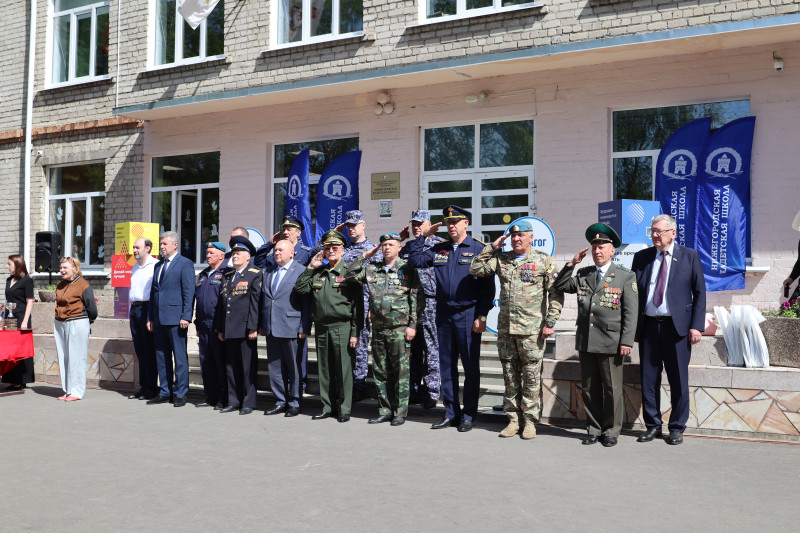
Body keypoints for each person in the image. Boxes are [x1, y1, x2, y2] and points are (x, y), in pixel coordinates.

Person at [470, 221, 564, 439]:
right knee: (510, 377)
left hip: (532, 331)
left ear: (531, 237)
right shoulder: (502, 259)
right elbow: (475, 268)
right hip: (506, 330)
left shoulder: (543, 260)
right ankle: (513, 420)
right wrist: (492, 247)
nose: (516, 239)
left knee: (531, 377)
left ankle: (530, 422)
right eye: (513, 236)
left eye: (521, 235)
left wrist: (550, 322)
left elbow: (556, 293)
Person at [406, 205, 494, 432]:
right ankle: (451, 412)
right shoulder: (439, 249)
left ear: (466, 223)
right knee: (446, 366)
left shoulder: (478, 249)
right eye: (448, 222)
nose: (451, 226)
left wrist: (482, 315)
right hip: (443, 313)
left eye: (456, 221)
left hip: (468, 314)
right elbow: (415, 260)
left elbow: (488, 288)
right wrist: (423, 237)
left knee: (470, 366)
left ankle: (468, 414)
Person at [553, 224, 637, 447]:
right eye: (594, 247)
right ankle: (593, 428)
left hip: (611, 342)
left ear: (612, 250)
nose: (598, 251)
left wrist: (627, 340)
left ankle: (611, 430)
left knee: (612, 389)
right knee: (590, 388)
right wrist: (572, 264)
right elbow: (560, 284)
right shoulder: (584, 274)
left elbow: (630, 312)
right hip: (587, 340)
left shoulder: (624, 277)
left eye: (602, 247)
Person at [631, 214, 706, 446]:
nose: (654, 235)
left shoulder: (689, 256)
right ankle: (653, 425)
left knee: (678, 380)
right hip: (649, 327)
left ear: (672, 233)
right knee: (648, 379)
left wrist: (696, 326)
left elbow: (700, 293)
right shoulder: (641, 257)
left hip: (677, 329)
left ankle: (676, 427)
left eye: (659, 231)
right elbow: (633, 295)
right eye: (652, 231)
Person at [346, 232, 423, 426]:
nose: (387, 247)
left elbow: (415, 298)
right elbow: (347, 273)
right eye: (384, 245)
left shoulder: (407, 269)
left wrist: (412, 325)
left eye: (391, 244)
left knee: (400, 373)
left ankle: (400, 412)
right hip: (379, 329)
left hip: (399, 328)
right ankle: (385, 409)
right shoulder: (372, 269)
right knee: (381, 372)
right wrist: (365, 255)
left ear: (399, 247)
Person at [295, 230, 361, 423]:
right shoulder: (318, 272)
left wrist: (355, 332)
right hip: (322, 327)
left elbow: (358, 305)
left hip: (343, 326)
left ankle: (345, 408)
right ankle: (327, 406)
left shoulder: (349, 272)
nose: (330, 251)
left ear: (342, 250)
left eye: (334, 248)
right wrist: (310, 266)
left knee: (343, 369)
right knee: (324, 369)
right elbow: (300, 288)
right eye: (327, 248)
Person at [399, 210, 445, 409]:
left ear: (430, 224)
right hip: (410, 304)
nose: (416, 227)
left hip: (432, 303)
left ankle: (432, 391)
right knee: (413, 350)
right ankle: (414, 390)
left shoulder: (441, 245)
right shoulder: (408, 247)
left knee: (432, 348)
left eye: (420, 223)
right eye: (413, 224)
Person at [260, 240, 311, 417]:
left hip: (292, 327)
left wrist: (305, 326)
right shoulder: (268, 272)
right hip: (271, 327)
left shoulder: (301, 272)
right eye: (275, 250)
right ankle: (280, 400)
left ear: (292, 253)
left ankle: (295, 402)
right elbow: (264, 301)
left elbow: (307, 304)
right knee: (275, 367)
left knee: (294, 368)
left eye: (281, 250)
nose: (277, 252)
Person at [146, 231, 196, 407]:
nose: (161, 247)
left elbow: (189, 292)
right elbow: (154, 293)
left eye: (164, 244)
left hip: (176, 319)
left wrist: (186, 316)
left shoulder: (185, 264)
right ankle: (165, 391)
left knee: (180, 358)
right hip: (159, 319)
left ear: (175, 245)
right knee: (161, 356)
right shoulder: (158, 266)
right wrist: (150, 317)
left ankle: (180, 393)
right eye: (160, 244)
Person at [216, 236, 263, 415]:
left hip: (244, 329)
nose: (234, 256)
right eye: (233, 253)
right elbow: (223, 304)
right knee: (231, 366)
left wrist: (253, 327)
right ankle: (233, 400)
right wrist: (220, 328)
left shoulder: (254, 274)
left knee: (247, 368)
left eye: (238, 253)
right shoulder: (227, 276)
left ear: (248, 256)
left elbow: (255, 303)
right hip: (229, 328)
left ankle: (248, 402)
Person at [340, 210, 382, 402]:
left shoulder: (374, 250)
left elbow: (378, 281)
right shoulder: (343, 250)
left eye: (354, 225)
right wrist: (335, 231)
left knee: (361, 346)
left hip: (363, 304)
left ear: (363, 225)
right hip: (343, 304)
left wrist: (374, 307)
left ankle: (359, 385)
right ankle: (345, 383)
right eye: (348, 226)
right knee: (344, 346)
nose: (351, 229)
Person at [53, 257, 98, 401]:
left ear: (75, 269)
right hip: (61, 323)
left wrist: (87, 322)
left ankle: (77, 392)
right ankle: (67, 390)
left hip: (77, 321)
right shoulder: (60, 285)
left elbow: (92, 308)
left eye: (65, 267)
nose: (62, 270)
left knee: (77, 357)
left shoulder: (83, 284)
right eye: (61, 268)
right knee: (64, 357)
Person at [194, 242, 230, 409]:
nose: (207, 256)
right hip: (203, 325)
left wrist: (222, 326)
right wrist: (197, 324)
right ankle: (211, 396)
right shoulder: (203, 274)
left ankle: (224, 398)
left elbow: (225, 303)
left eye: (211, 253)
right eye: (206, 253)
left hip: (217, 326)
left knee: (220, 363)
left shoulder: (226, 273)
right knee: (206, 363)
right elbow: (199, 301)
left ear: (222, 255)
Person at [128, 238, 159, 400]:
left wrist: (151, 316)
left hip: (147, 308)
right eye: (133, 247)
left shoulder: (154, 266)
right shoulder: (135, 266)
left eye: (137, 247)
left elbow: (154, 293)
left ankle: (151, 388)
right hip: (134, 309)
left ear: (147, 248)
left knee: (149, 350)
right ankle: (143, 385)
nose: (134, 250)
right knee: (140, 350)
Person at [2, 255, 35, 390]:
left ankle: (21, 380)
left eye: (9, 264)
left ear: (17, 265)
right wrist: (3, 318)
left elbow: (30, 301)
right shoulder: (9, 280)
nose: (7, 266)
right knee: (10, 349)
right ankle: (12, 379)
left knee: (21, 348)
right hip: (10, 318)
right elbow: (7, 301)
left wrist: (25, 321)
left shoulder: (27, 281)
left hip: (22, 317)